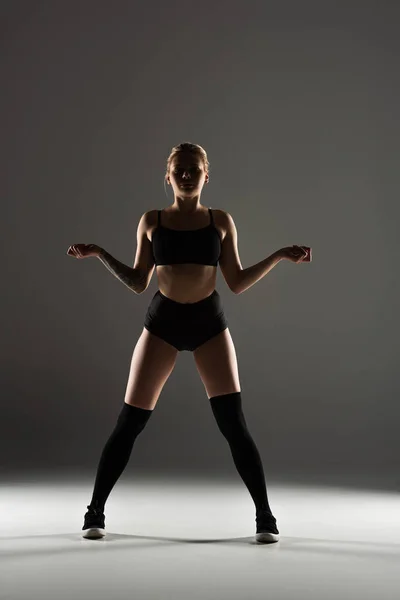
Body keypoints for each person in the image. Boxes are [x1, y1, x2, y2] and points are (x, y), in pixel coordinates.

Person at [66, 141, 308, 544]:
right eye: (179, 169)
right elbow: (138, 282)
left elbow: (236, 282)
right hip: (163, 323)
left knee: (234, 425)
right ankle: (95, 512)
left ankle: (265, 517)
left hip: (208, 323)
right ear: (168, 175)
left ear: (206, 175)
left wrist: (281, 254)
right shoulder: (152, 220)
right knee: (130, 422)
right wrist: (99, 253)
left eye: (194, 169)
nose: (186, 175)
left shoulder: (220, 221)